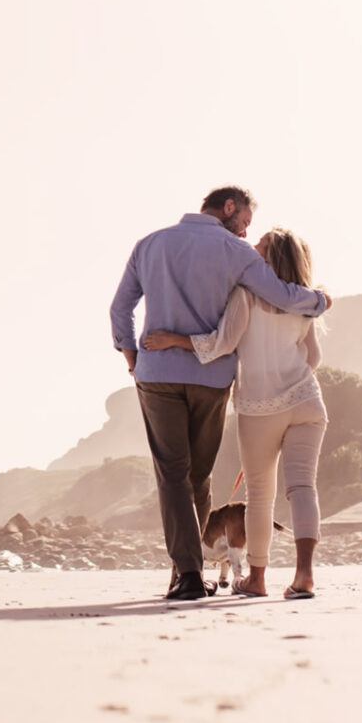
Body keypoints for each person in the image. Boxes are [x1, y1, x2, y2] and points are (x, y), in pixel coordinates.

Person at [110, 187, 330, 601]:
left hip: (160, 374)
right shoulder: (237, 253)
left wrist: (133, 360)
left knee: (174, 474)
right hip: (217, 381)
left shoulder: (149, 244)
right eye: (245, 222)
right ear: (229, 208)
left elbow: (120, 310)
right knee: (202, 476)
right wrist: (318, 299)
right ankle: (295, 574)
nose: (246, 233)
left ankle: (189, 573)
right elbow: (285, 298)